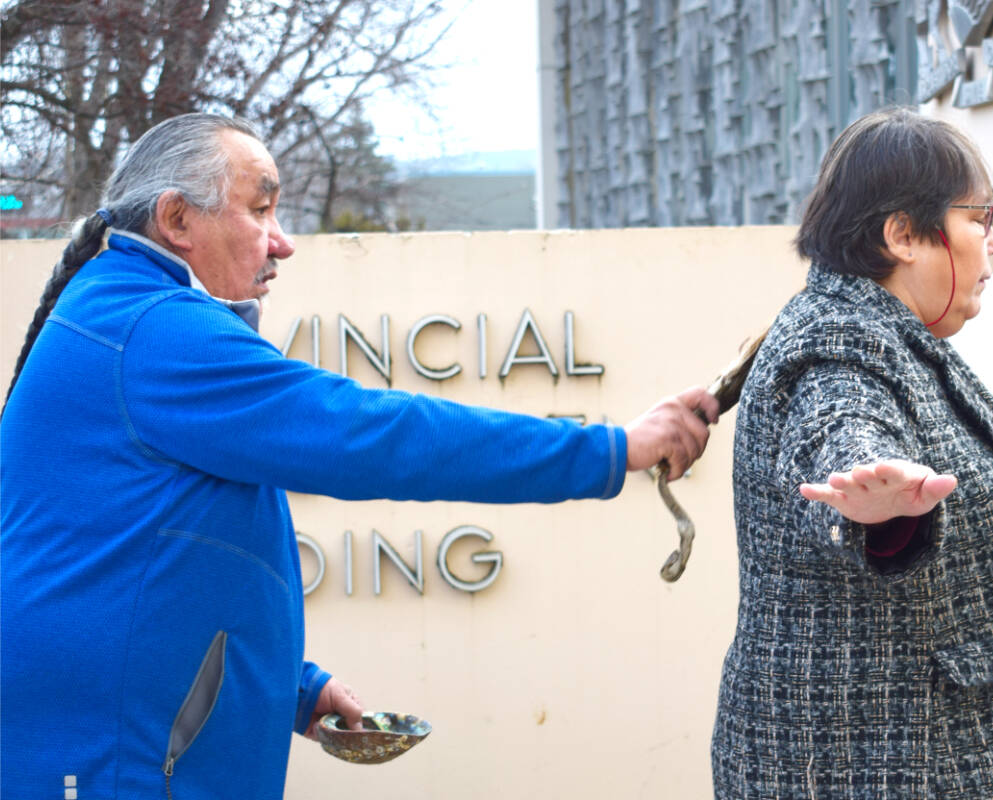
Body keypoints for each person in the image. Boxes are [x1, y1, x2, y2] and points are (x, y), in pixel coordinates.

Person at [0, 113, 719, 797]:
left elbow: (169, 549)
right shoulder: (156, 331)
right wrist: (610, 450)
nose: (281, 242)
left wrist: (296, 685)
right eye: (261, 210)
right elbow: (375, 435)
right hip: (114, 764)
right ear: (178, 220)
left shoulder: (126, 315)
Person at [710, 107, 993, 799]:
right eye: (979, 219)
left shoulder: (874, 327)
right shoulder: (841, 342)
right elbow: (843, 427)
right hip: (897, 764)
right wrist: (881, 507)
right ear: (903, 236)